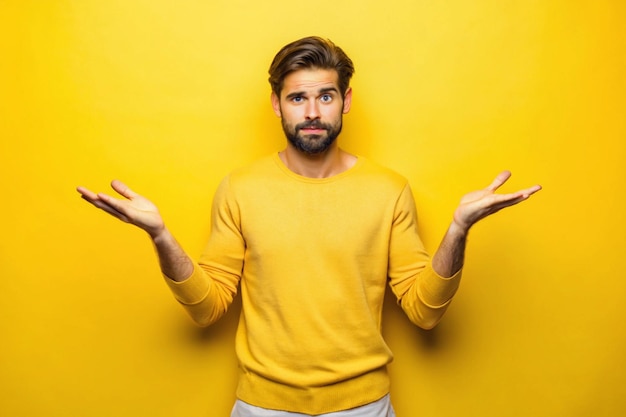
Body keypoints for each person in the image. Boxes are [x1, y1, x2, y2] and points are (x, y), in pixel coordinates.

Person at [77, 36, 541, 417]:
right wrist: (161, 236)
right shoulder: (240, 188)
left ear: (346, 100)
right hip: (262, 407)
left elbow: (424, 312)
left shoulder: (389, 190)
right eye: (298, 98)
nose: (313, 112)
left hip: (363, 407)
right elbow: (207, 309)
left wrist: (458, 230)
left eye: (325, 96)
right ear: (278, 105)